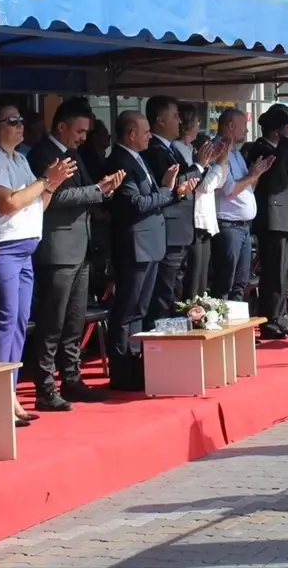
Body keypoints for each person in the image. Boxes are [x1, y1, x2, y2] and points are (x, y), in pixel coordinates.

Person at [0, 102, 76, 426]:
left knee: (19, 322)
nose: (19, 125)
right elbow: (8, 203)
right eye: (10, 120)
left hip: (25, 247)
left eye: (19, 120)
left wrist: (52, 183)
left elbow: (35, 205)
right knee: (4, 321)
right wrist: (46, 179)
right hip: (0, 247)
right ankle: (0, 396)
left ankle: (11, 392)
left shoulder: (19, 158)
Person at [27, 99, 123, 412]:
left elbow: (78, 193)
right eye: (79, 131)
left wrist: (103, 189)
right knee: (51, 322)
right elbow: (53, 197)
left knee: (74, 320)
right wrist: (97, 190)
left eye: (86, 131)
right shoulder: (43, 154)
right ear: (62, 126)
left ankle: (71, 377)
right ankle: (45, 386)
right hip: (57, 249)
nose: (83, 137)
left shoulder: (73, 153)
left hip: (79, 247)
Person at [105, 111, 196, 392]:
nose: (148, 137)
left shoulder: (138, 158)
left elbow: (150, 196)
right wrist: (171, 193)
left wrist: (167, 186)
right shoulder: (119, 160)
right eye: (145, 132)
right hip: (134, 243)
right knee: (127, 308)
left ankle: (135, 362)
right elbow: (136, 202)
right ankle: (121, 369)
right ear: (131, 134)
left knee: (140, 309)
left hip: (150, 241)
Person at [142, 96, 204, 327]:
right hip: (169, 229)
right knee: (164, 293)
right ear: (160, 120)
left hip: (181, 229)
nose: (179, 122)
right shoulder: (155, 150)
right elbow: (173, 184)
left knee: (176, 290)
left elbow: (187, 180)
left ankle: (173, 332)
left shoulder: (170, 148)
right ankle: (160, 338)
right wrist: (198, 165)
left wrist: (200, 166)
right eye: (175, 116)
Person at [245, 103, 288, 340]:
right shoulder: (261, 149)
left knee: (284, 270)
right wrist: (286, 144)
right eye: (286, 128)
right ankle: (270, 318)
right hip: (272, 217)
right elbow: (274, 178)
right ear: (278, 130)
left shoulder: (283, 149)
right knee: (273, 271)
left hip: (284, 215)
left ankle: (281, 314)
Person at [212, 108, 272, 304]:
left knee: (240, 283)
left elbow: (247, 187)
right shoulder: (219, 150)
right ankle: (220, 327)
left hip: (243, 227)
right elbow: (229, 189)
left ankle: (236, 328)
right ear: (231, 125)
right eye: (244, 126)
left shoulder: (236, 153)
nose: (247, 132)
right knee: (225, 283)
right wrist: (252, 176)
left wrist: (256, 174)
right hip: (229, 226)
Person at [176, 107, 227, 300]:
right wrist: (216, 163)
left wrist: (218, 163)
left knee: (202, 278)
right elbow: (203, 185)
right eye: (197, 123)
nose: (199, 126)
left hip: (205, 219)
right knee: (193, 277)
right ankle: (192, 314)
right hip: (194, 218)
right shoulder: (179, 149)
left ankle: (200, 311)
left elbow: (217, 183)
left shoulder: (189, 150)